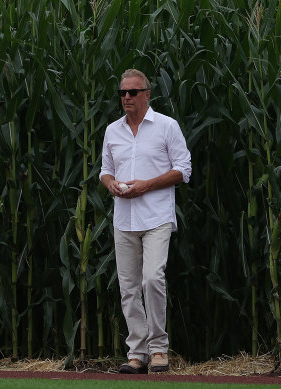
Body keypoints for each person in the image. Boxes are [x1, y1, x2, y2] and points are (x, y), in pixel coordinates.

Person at [99, 69, 191, 374]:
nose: (126, 97)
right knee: (128, 287)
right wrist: (110, 183)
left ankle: (159, 349)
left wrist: (146, 185)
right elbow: (105, 169)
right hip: (124, 219)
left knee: (152, 278)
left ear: (147, 94)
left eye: (133, 92)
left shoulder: (166, 126)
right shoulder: (113, 130)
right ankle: (136, 353)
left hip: (156, 217)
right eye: (122, 92)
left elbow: (183, 169)